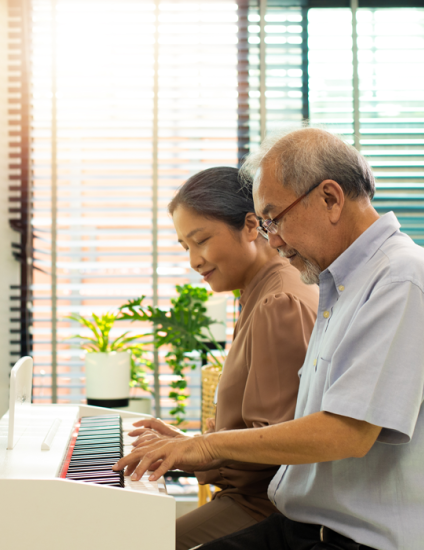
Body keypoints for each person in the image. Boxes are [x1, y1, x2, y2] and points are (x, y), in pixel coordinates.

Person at [114, 128, 424, 550]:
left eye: (274, 219)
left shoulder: (402, 279)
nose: (274, 240)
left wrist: (207, 448)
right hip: (305, 525)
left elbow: (346, 433)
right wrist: (197, 445)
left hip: (365, 541)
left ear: (330, 199)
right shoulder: (339, 283)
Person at [128, 166, 318, 550]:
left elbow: (280, 451)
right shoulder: (260, 292)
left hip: (266, 509)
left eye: (201, 241)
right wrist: (188, 446)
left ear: (251, 226)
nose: (194, 261)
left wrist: (198, 451)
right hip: (251, 499)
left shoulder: (277, 301)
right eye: (185, 247)